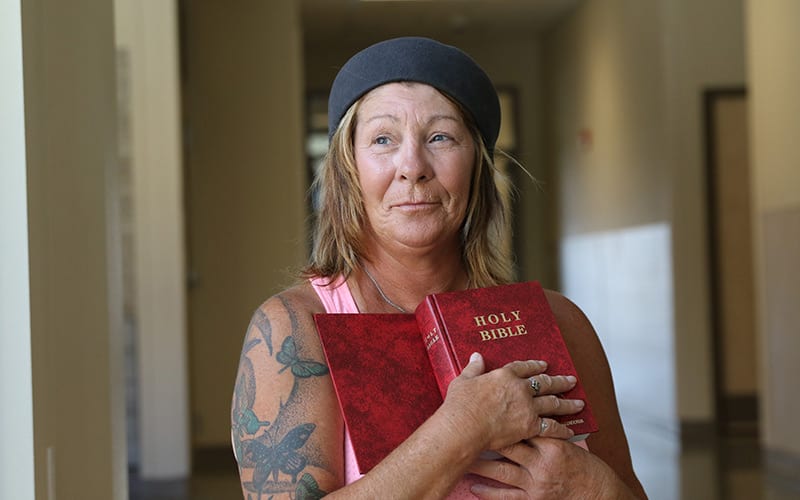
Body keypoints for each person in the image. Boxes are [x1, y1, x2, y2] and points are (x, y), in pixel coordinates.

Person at [231, 36, 647, 499]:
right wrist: (463, 428)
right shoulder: (293, 330)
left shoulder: (560, 322)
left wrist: (589, 486)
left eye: (440, 137)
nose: (412, 167)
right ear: (349, 168)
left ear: (477, 165)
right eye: (383, 139)